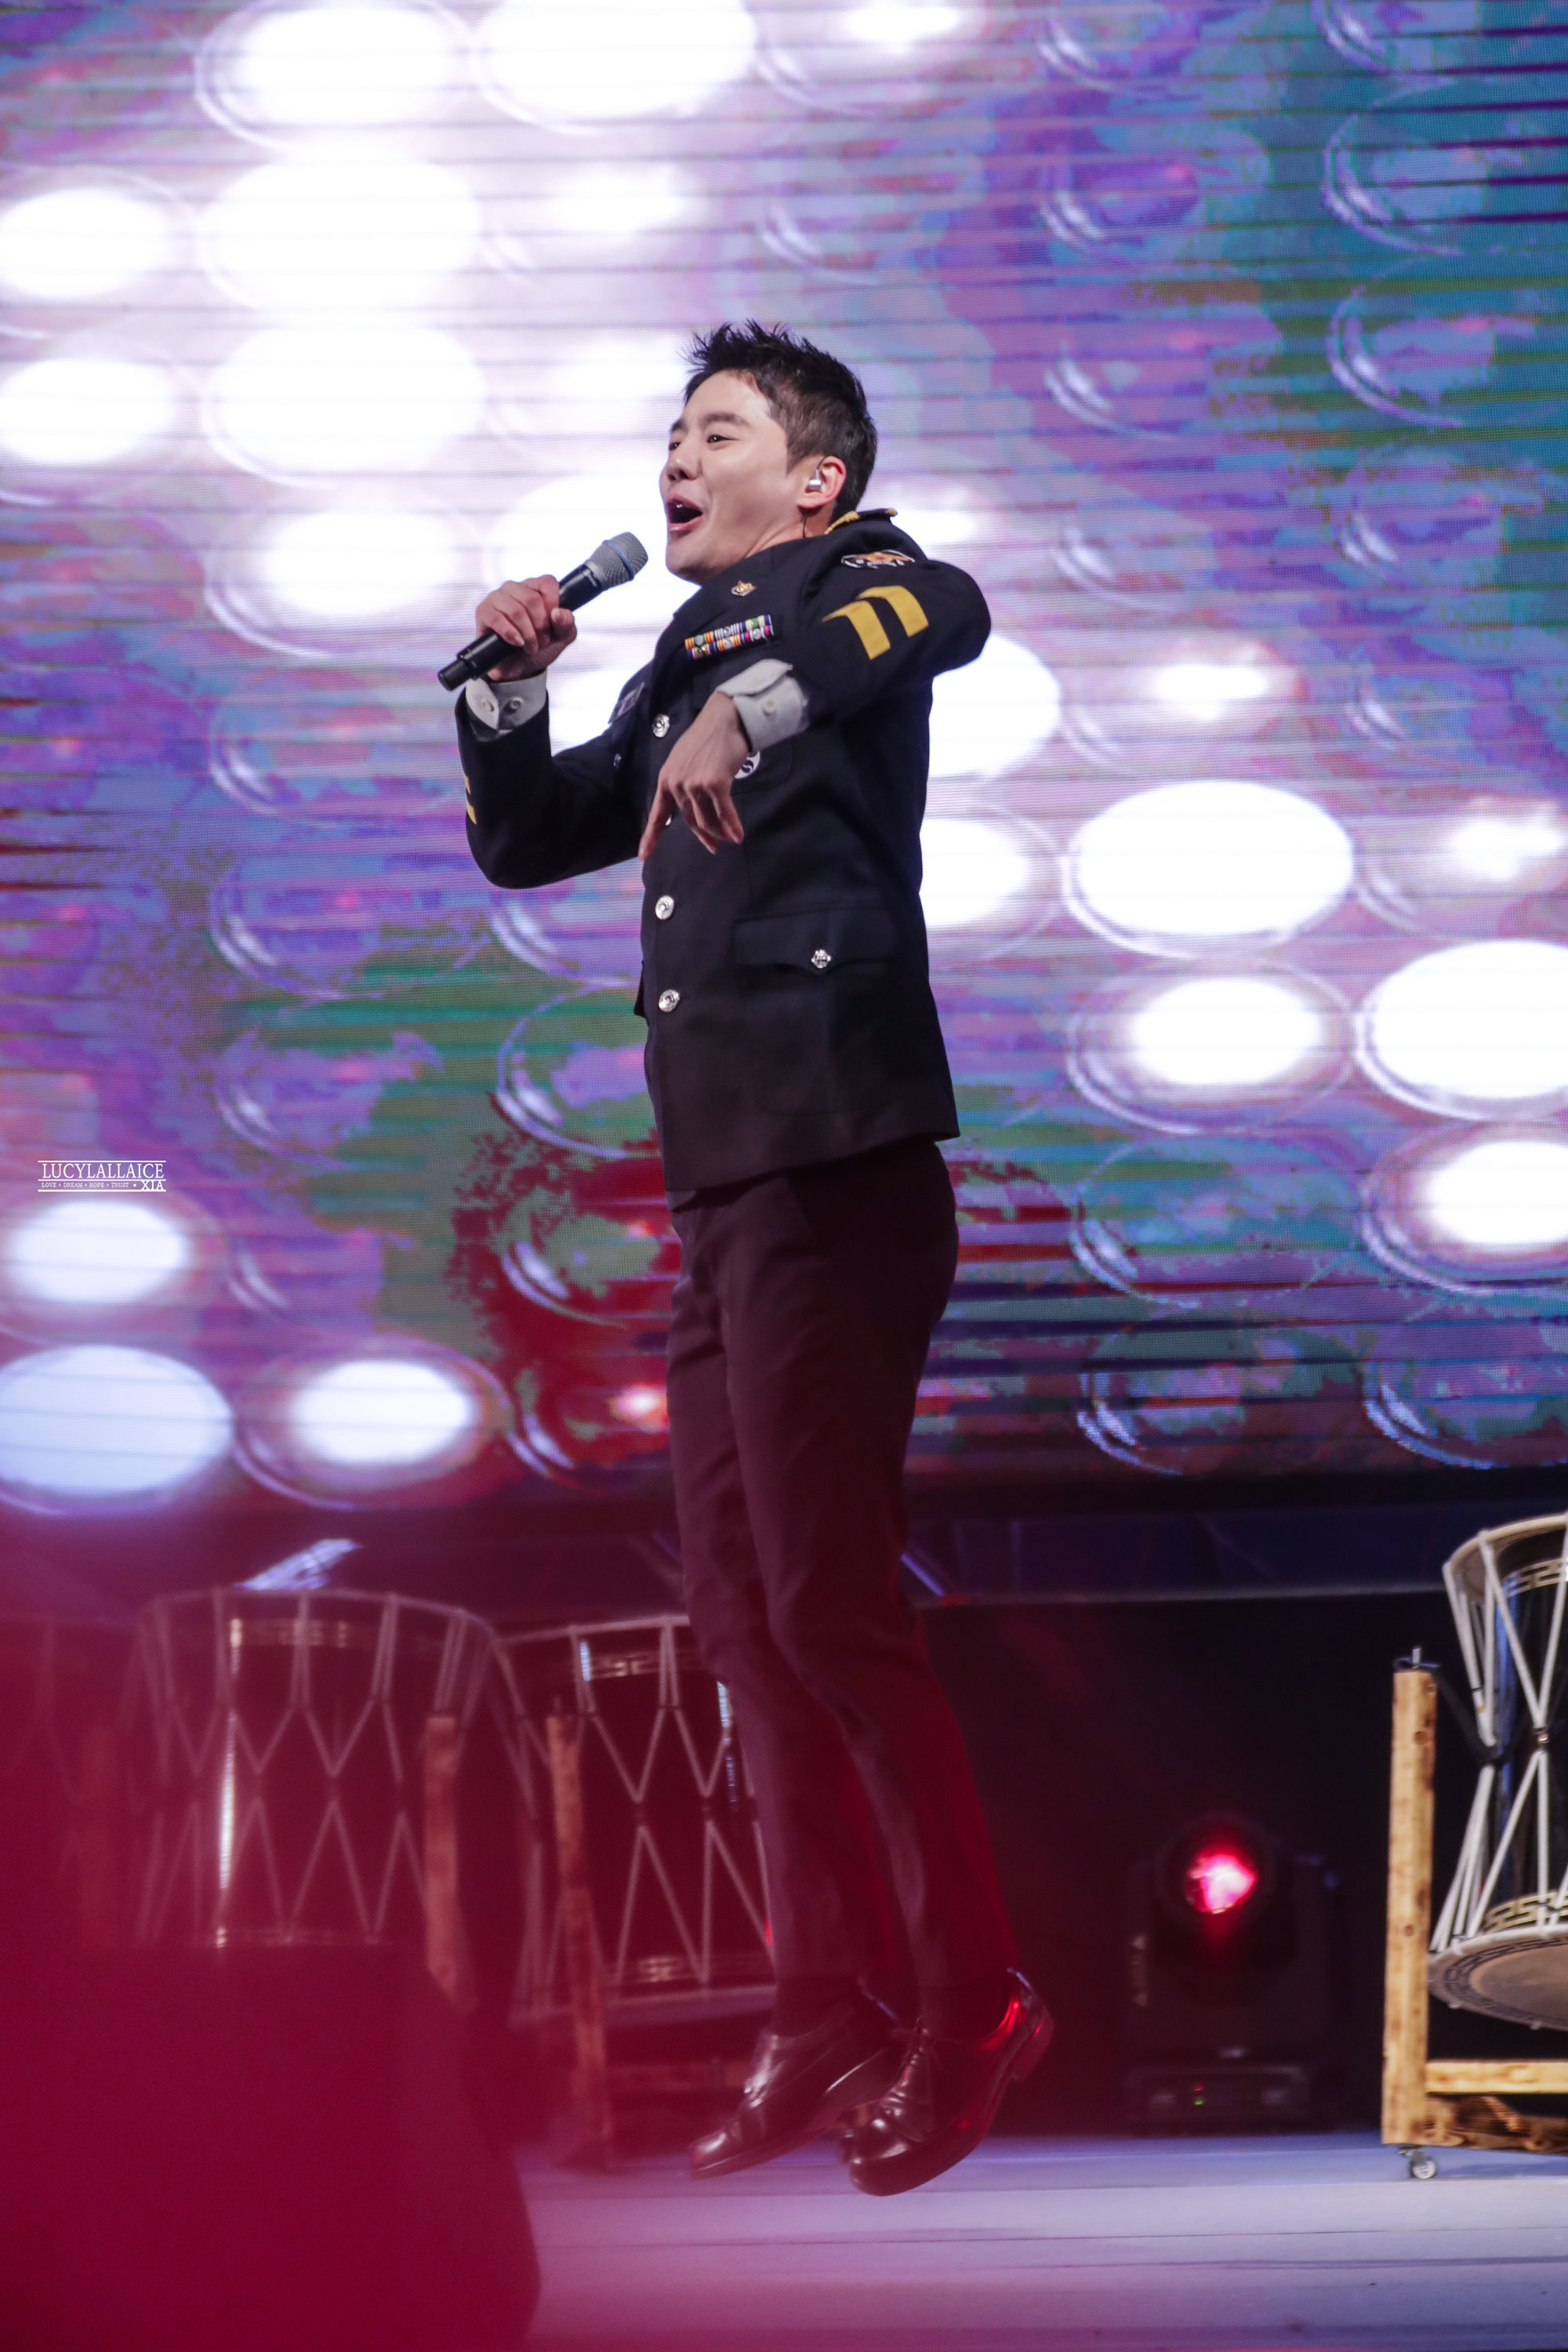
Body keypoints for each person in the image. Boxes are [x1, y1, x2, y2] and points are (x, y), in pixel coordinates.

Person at [458, 322, 1049, 2196]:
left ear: (815, 480)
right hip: (727, 1188)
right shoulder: (676, 652)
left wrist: (761, 708)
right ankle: (822, 2007)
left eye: (714, 433)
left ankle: (973, 2004)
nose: (675, 459)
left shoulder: (860, 585)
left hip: (836, 1162)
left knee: (829, 1611)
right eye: (671, 434)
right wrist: (507, 692)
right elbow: (531, 841)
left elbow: (942, 612)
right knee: (747, 1626)